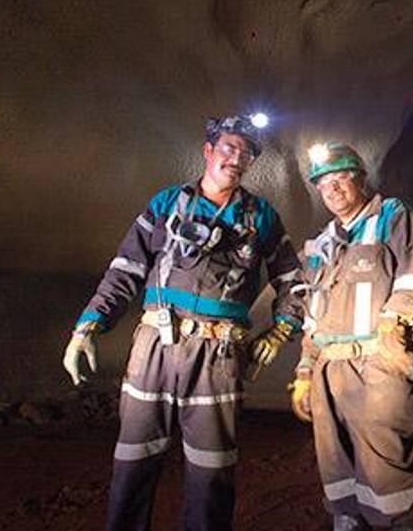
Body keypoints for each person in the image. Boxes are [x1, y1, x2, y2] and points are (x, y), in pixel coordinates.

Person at [61, 115, 303, 531]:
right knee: (133, 463)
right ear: (208, 151)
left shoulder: (260, 216)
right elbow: (125, 271)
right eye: (229, 147)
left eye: (246, 153)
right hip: (155, 345)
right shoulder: (166, 204)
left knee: (212, 472)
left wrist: (282, 330)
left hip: (218, 355)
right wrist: (88, 326)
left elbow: (293, 282)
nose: (237, 157)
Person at [290, 142, 413, 530]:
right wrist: (306, 372)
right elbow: (312, 314)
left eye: (342, 179)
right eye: (325, 184)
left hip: (376, 368)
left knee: (390, 484)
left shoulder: (391, 216)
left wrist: (396, 320)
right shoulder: (321, 245)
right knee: (339, 483)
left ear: (360, 180)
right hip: (328, 373)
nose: (334, 189)